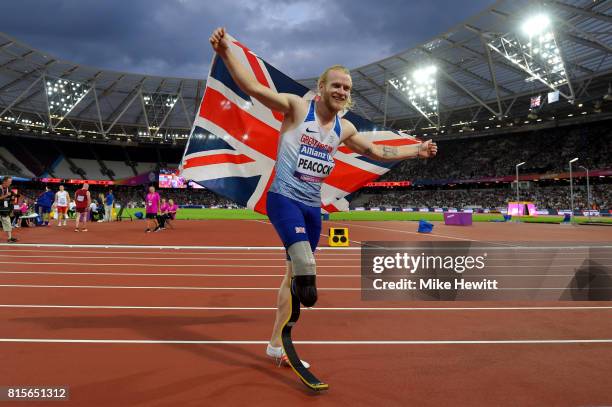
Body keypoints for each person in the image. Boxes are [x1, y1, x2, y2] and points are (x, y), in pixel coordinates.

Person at [209, 27, 438, 365]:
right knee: (304, 268)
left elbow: (378, 150)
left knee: (292, 277)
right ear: (321, 88)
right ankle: (287, 329)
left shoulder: (344, 129)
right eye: (336, 85)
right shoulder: (297, 109)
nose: (341, 91)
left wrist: (415, 150)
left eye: (346, 87)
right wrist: (226, 51)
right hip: (284, 198)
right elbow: (252, 87)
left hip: (312, 208)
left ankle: (277, 344)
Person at [0, 176, 17, 242]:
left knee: (8, 222)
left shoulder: (9, 189)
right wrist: (6, 195)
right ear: (4, 181)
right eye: (9, 182)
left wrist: (12, 198)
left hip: (4, 209)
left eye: (11, 182)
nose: (10, 183)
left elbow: (11, 200)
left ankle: (9, 238)